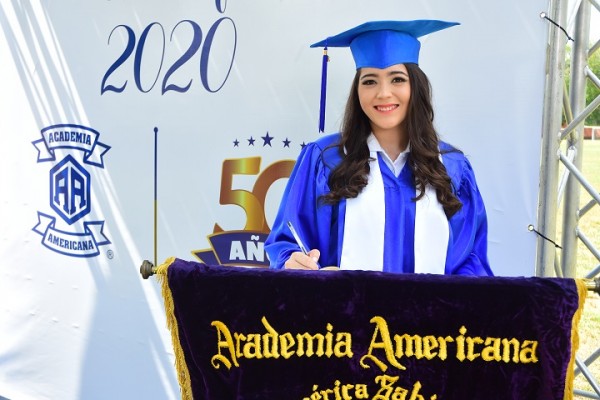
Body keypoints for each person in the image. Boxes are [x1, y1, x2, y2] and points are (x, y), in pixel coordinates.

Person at [265, 20, 493, 276]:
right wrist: (293, 261)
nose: (383, 93)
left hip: (431, 314)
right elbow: (287, 242)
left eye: (397, 79)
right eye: (370, 81)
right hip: (343, 313)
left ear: (415, 87)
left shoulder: (452, 167)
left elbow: (471, 260)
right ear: (357, 90)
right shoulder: (325, 160)